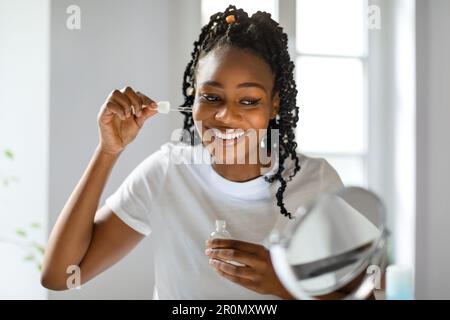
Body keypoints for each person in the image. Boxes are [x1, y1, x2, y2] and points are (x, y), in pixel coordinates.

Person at [41, 5, 343, 299]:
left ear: (274, 104)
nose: (225, 116)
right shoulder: (168, 171)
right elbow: (60, 275)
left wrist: (282, 285)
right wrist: (108, 151)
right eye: (211, 97)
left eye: (249, 101)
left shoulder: (316, 182)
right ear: (193, 97)